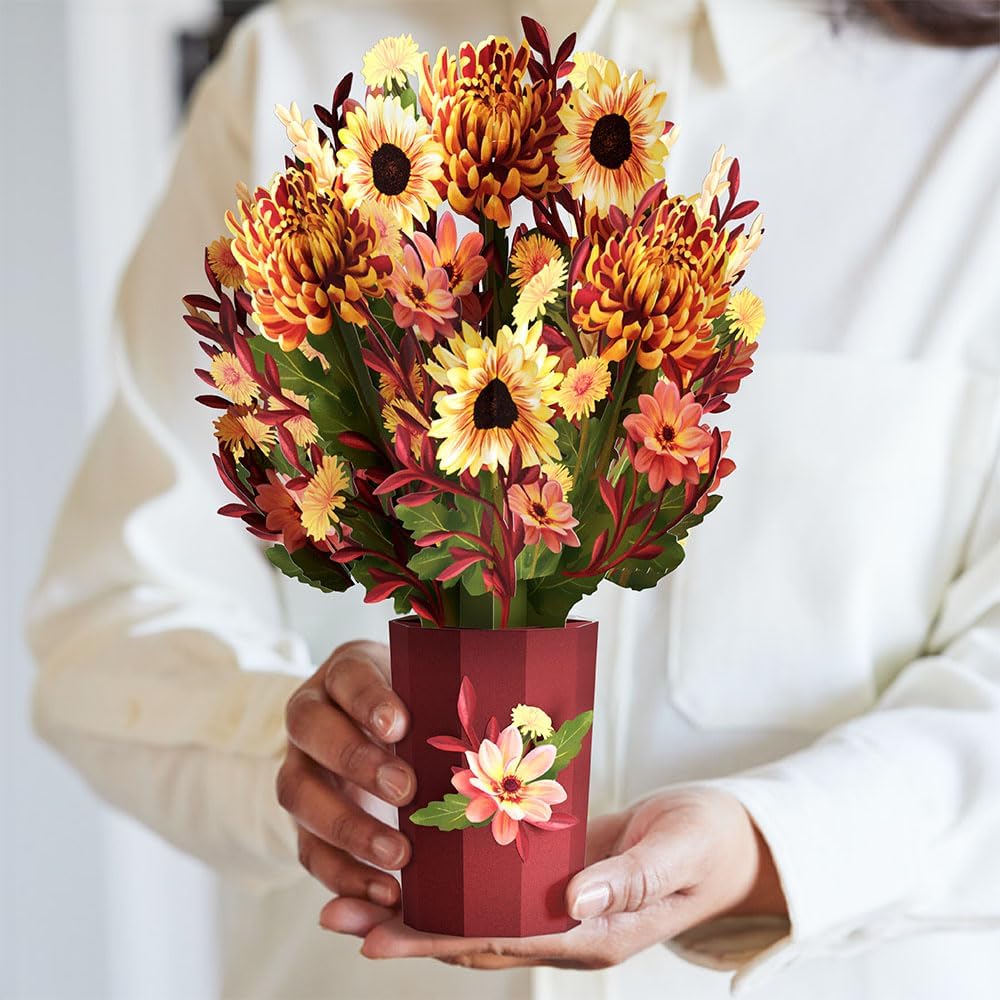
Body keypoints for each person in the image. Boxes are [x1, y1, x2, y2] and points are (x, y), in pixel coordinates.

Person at [26, 0, 1000, 997]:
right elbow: (110, 622)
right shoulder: (299, 70)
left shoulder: (976, 121)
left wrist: (768, 844)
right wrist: (310, 761)